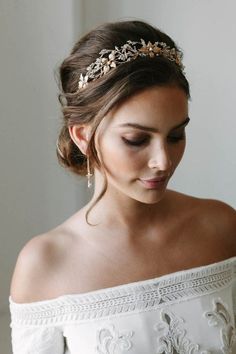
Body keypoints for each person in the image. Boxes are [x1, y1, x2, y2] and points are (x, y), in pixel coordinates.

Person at [9, 20, 236, 354]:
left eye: (175, 136)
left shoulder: (221, 226)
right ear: (82, 136)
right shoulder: (45, 264)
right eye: (136, 139)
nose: (163, 160)